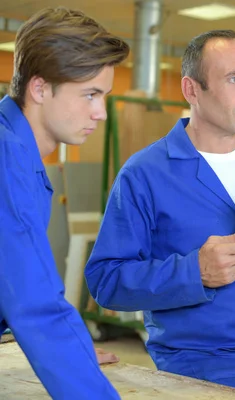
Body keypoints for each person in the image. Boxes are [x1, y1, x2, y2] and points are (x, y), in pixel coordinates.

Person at [84, 29, 235, 396]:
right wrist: (194, 271)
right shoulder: (145, 174)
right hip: (196, 375)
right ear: (191, 90)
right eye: (234, 79)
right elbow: (106, 280)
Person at [0, 6, 130, 399]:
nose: (100, 113)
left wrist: (70, 347)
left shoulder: (19, 155)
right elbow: (33, 304)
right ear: (39, 89)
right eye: (90, 94)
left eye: (103, 96)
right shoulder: (6, 159)